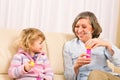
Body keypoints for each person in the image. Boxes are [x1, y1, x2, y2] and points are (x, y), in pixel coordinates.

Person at [63, 11, 120, 80]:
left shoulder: (103, 43)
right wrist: (76, 65)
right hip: (86, 78)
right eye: (77, 26)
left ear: (93, 29)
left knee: (97, 74)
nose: (79, 30)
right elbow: (68, 78)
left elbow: (118, 63)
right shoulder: (69, 46)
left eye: (84, 27)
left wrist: (108, 46)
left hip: (108, 77)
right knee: (94, 74)